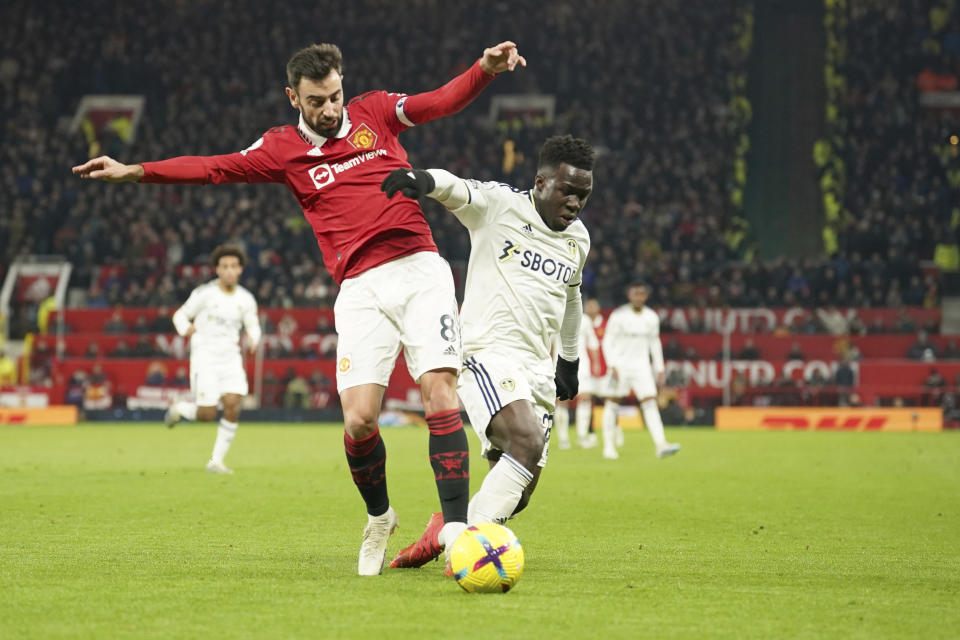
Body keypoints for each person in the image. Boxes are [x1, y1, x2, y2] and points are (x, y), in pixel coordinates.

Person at [73, 40, 526, 576]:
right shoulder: (280, 149)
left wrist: (483, 70)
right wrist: (136, 171)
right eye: (317, 101)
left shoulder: (376, 111)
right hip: (358, 288)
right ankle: (380, 516)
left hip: (419, 267)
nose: (331, 110)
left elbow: (439, 102)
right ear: (294, 97)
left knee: (439, 392)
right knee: (359, 422)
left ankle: (455, 530)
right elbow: (213, 167)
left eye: (335, 96)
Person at [383, 135, 593, 570]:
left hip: (537, 368)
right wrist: (422, 179)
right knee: (527, 441)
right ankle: (466, 554)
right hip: (486, 352)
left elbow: (572, 299)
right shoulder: (500, 205)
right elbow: (457, 188)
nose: (575, 203)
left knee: (520, 491)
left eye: (583, 195)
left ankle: (444, 529)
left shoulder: (578, 240)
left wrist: (569, 360)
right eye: (567, 191)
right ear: (541, 182)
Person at [162, 246, 260, 475]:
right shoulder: (204, 293)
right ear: (217, 269)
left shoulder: (246, 299)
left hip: (231, 359)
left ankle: (216, 461)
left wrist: (253, 339)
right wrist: (185, 328)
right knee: (206, 414)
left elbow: (253, 324)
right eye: (224, 266)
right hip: (205, 358)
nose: (229, 271)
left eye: (233, 266)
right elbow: (180, 315)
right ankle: (179, 409)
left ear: (240, 270)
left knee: (233, 404)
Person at [600, 281, 680, 460]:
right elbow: (607, 341)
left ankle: (661, 445)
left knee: (650, 402)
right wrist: (611, 364)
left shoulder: (651, 317)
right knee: (612, 403)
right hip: (620, 366)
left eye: (641, 294)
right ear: (629, 295)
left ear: (646, 296)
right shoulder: (619, 315)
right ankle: (608, 446)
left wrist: (659, 366)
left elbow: (654, 342)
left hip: (641, 366)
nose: (638, 297)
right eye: (635, 293)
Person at [574, 298, 605, 449]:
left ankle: (582, 436)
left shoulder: (584, 320)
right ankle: (563, 439)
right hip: (559, 363)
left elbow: (593, 342)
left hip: (582, 364)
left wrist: (596, 363)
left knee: (585, 398)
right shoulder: (558, 313)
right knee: (561, 402)